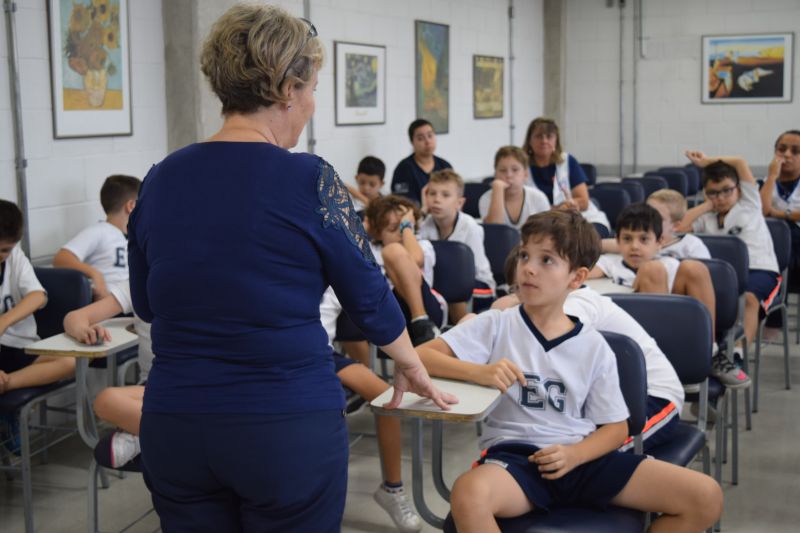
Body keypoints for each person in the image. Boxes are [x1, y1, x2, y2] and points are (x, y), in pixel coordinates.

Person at [126, 6, 455, 532]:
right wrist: (409, 361)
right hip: (282, 424)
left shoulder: (160, 178)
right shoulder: (309, 179)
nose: (311, 104)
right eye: (312, 89)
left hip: (177, 422)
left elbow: (145, 303)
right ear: (287, 89)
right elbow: (367, 292)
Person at [417, 210, 722, 532]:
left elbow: (616, 428)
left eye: (547, 260)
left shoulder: (595, 345)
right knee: (468, 494)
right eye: (524, 255)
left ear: (576, 278)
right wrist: (477, 372)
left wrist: (576, 455)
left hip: (582, 457)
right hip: (517, 459)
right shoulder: (496, 324)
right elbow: (419, 357)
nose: (529, 268)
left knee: (705, 496)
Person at [491, 246, 684, 452]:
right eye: (517, 288)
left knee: (589, 454)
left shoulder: (579, 303)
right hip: (601, 403)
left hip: (655, 397)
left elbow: (536, 332)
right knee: (550, 448)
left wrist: (498, 312)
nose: (525, 293)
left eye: (531, 286)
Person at [680, 151, 780, 380]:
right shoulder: (706, 217)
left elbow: (741, 162)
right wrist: (706, 206)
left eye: (727, 190)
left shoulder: (750, 204)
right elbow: (679, 228)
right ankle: (709, 350)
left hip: (761, 271)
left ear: (739, 189)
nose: (722, 197)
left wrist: (706, 162)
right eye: (714, 193)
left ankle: (737, 354)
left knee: (750, 299)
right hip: (725, 277)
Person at [0, 200, 74, 451]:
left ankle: (7, 385)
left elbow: (38, 296)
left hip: (19, 347)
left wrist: (5, 320)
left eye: (5, 250)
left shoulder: (15, 257)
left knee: (69, 362)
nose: (1, 255)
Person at [63, 280, 153, 468]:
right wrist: (83, 330)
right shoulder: (141, 282)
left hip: (200, 386)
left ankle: (142, 435)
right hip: (152, 387)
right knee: (105, 401)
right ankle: (166, 434)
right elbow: (75, 317)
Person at [364, 195, 446, 343]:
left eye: (403, 226)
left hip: (428, 309)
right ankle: (420, 325)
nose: (401, 233)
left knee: (393, 250)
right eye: (393, 228)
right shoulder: (370, 251)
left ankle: (420, 320)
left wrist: (407, 228)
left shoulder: (423, 245)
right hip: (389, 309)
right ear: (377, 232)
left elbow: (415, 259)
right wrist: (366, 227)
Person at [418, 169, 496, 319]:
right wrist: (422, 211)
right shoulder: (425, 224)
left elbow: (473, 271)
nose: (436, 199)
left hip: (479, 286)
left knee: (452, 285)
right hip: (444, 284)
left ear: (459, 203)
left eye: (445, 195)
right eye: (432, 193)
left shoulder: (470, 227)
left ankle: (464, 330)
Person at [53, 175, 140, 299]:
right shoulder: (99, 231)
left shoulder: (135, 238)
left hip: (132, 302)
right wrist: (95, 274)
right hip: (109, 302)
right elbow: (61, 259)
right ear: (131, 205)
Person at [523, 117, 610, 230]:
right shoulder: (520, 166)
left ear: (556, 140)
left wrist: (568, 206)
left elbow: (584, 201)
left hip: (578, 219)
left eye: (549, 136)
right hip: (539, 224)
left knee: (588, 236)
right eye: (539, 136)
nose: (544, 141)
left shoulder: (567, 161)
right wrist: (553, 211)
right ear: (529, 141)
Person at [760, 129, 800, 288]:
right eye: (782, 149)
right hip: (772, 246)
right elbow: (763, 212)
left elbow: (771, 212)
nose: (787, 155)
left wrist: (778, 213)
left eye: (795, 151)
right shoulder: (764, 183)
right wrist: (772, 176)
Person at [479, 146, 550, 230]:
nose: (509, 175)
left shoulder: (539, 198)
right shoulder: (486, 198)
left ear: (525, 174)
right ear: (495, 174)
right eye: (502, 170)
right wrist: (497, 190)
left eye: (515, 170)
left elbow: (546, 232)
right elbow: (494, 231)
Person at [391, 118, 452, 204]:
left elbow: (453, 195)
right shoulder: (403, 169)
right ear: (412, 142)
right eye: (420, 138)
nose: (427, 141)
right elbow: (403, 203)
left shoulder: (445, 166)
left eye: (430, 136)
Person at [647, 189, 711, 260]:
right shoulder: (639, 243)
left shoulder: (691, 245)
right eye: (645, 215)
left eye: (657, 218)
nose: (648, 221)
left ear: (675, 226)